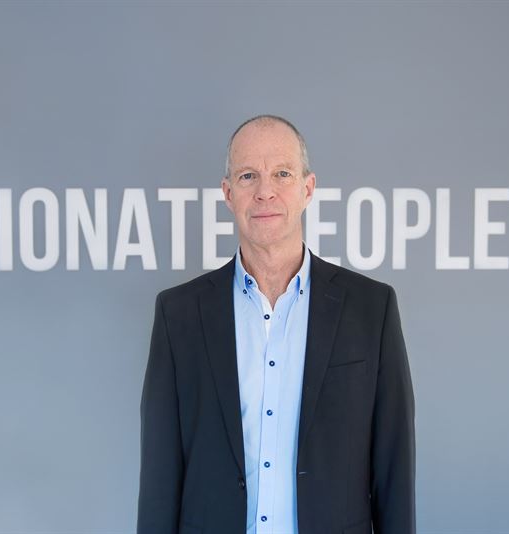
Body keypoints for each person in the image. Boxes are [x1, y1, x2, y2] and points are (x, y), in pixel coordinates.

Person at [138, 115, 415, 534]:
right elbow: (159, 479)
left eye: (282, 174)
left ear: (308, 188)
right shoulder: (178, 314)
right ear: (228, 193)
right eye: (248, 176)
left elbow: (394, 471)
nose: (265, 191)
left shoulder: (371, 309)